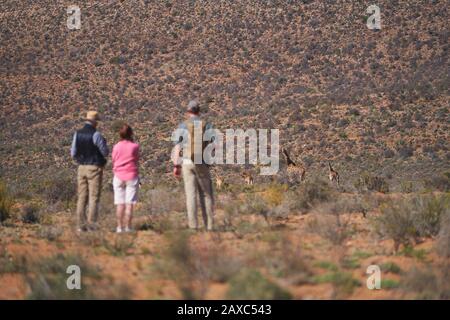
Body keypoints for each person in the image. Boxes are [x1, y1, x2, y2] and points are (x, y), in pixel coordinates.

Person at [172, 100, 215, 231]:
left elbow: (177, 147)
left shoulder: (182, 126)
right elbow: (214, 145)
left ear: (188, 111)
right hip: (201, 162)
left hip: (186, 162)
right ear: (198, 111)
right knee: (206, 194)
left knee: (191, 195)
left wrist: (176, 165)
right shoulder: (206, 125)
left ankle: (193, 226)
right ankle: (209, 226)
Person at [71, 111, 109, 232]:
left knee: (82, 197)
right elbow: (105, 152)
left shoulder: (77, 134)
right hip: (94, 168)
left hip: (81, 167)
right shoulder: (96, 135)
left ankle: (80, 226)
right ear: (94, 122)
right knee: (94, 197)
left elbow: (73, 153)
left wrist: (81, 159)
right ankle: (91, 224)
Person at [111, 124, 140, 233]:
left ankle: (119, 227)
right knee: (129, 203)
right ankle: (128, 227)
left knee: (120, 203)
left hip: (118, 175)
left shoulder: (116, 146)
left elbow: (114, 159)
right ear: (131, 133)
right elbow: (136, 160)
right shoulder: (135, 146)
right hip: (131, 175)